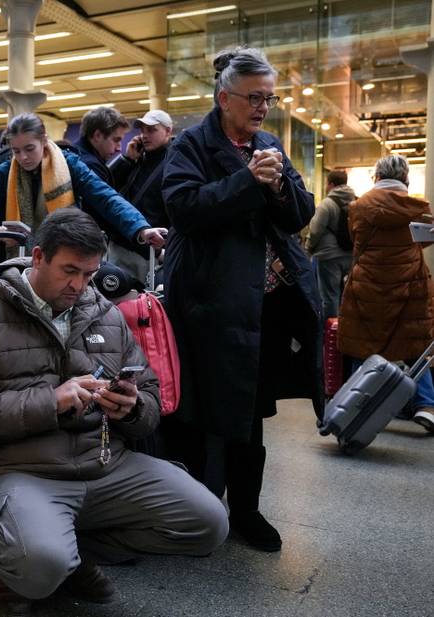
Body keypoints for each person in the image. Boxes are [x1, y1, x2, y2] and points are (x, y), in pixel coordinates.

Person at [0, 208, 228, 615]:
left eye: (89, 274)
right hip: (20, 470)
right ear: (38, 257)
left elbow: (151, 395)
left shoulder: (105, 313)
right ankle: (26, 565)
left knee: (209, 523)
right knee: (39, 568)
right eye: (69, 271)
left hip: (104, 464)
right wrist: (50, 401)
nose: (79, 285)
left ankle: (68, 555)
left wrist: (131, 407)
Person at [161, 46, 322, 553]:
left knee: (250, 413)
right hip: (209, 302)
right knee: (201, 409)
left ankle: (247, 510)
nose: (262, 108)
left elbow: (300, 214)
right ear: (224, 97)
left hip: (264, 306)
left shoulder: (269, 143)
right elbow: (184, 207)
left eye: (269, 99)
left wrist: (275, 189)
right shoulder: (190, 144)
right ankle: (195, 510)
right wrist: (246, 182)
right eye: (254, 98)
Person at [0, 113, 166, 251]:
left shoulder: (69, 164)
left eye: (29, 148)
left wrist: (141, 228)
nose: (23, 157)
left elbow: (106, 197)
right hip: (17, 267)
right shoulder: (5, 171)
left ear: (43, 140)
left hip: (67, 255)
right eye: (16, 151)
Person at [338, 154, 434, 433]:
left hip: (367, 281)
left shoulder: (358, 207)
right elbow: (422, 241)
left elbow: (357, 241)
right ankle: (426, 405)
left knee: (362, 344)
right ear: (406, 177)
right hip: (410, 282)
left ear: (377, 177)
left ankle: (356, 404)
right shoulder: (419, 208)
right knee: (414, 344)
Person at [108, 109, 175, 284]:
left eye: (152, 130)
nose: (145, 135)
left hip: (149, 251)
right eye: (143, 130)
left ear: (168, 131)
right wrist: (127, 159)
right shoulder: (138, 157)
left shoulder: (175, 161)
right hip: (121, 243)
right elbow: (107, 184)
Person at [306, 170, 356, 319]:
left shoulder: (327, 204)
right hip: (350, 253)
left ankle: (330, 333)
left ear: (331, 184)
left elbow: (315, 230)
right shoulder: (356, 201)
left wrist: (308, 248)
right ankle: (345, 327)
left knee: (329, 296)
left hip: (328, 256)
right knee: (347, 294)